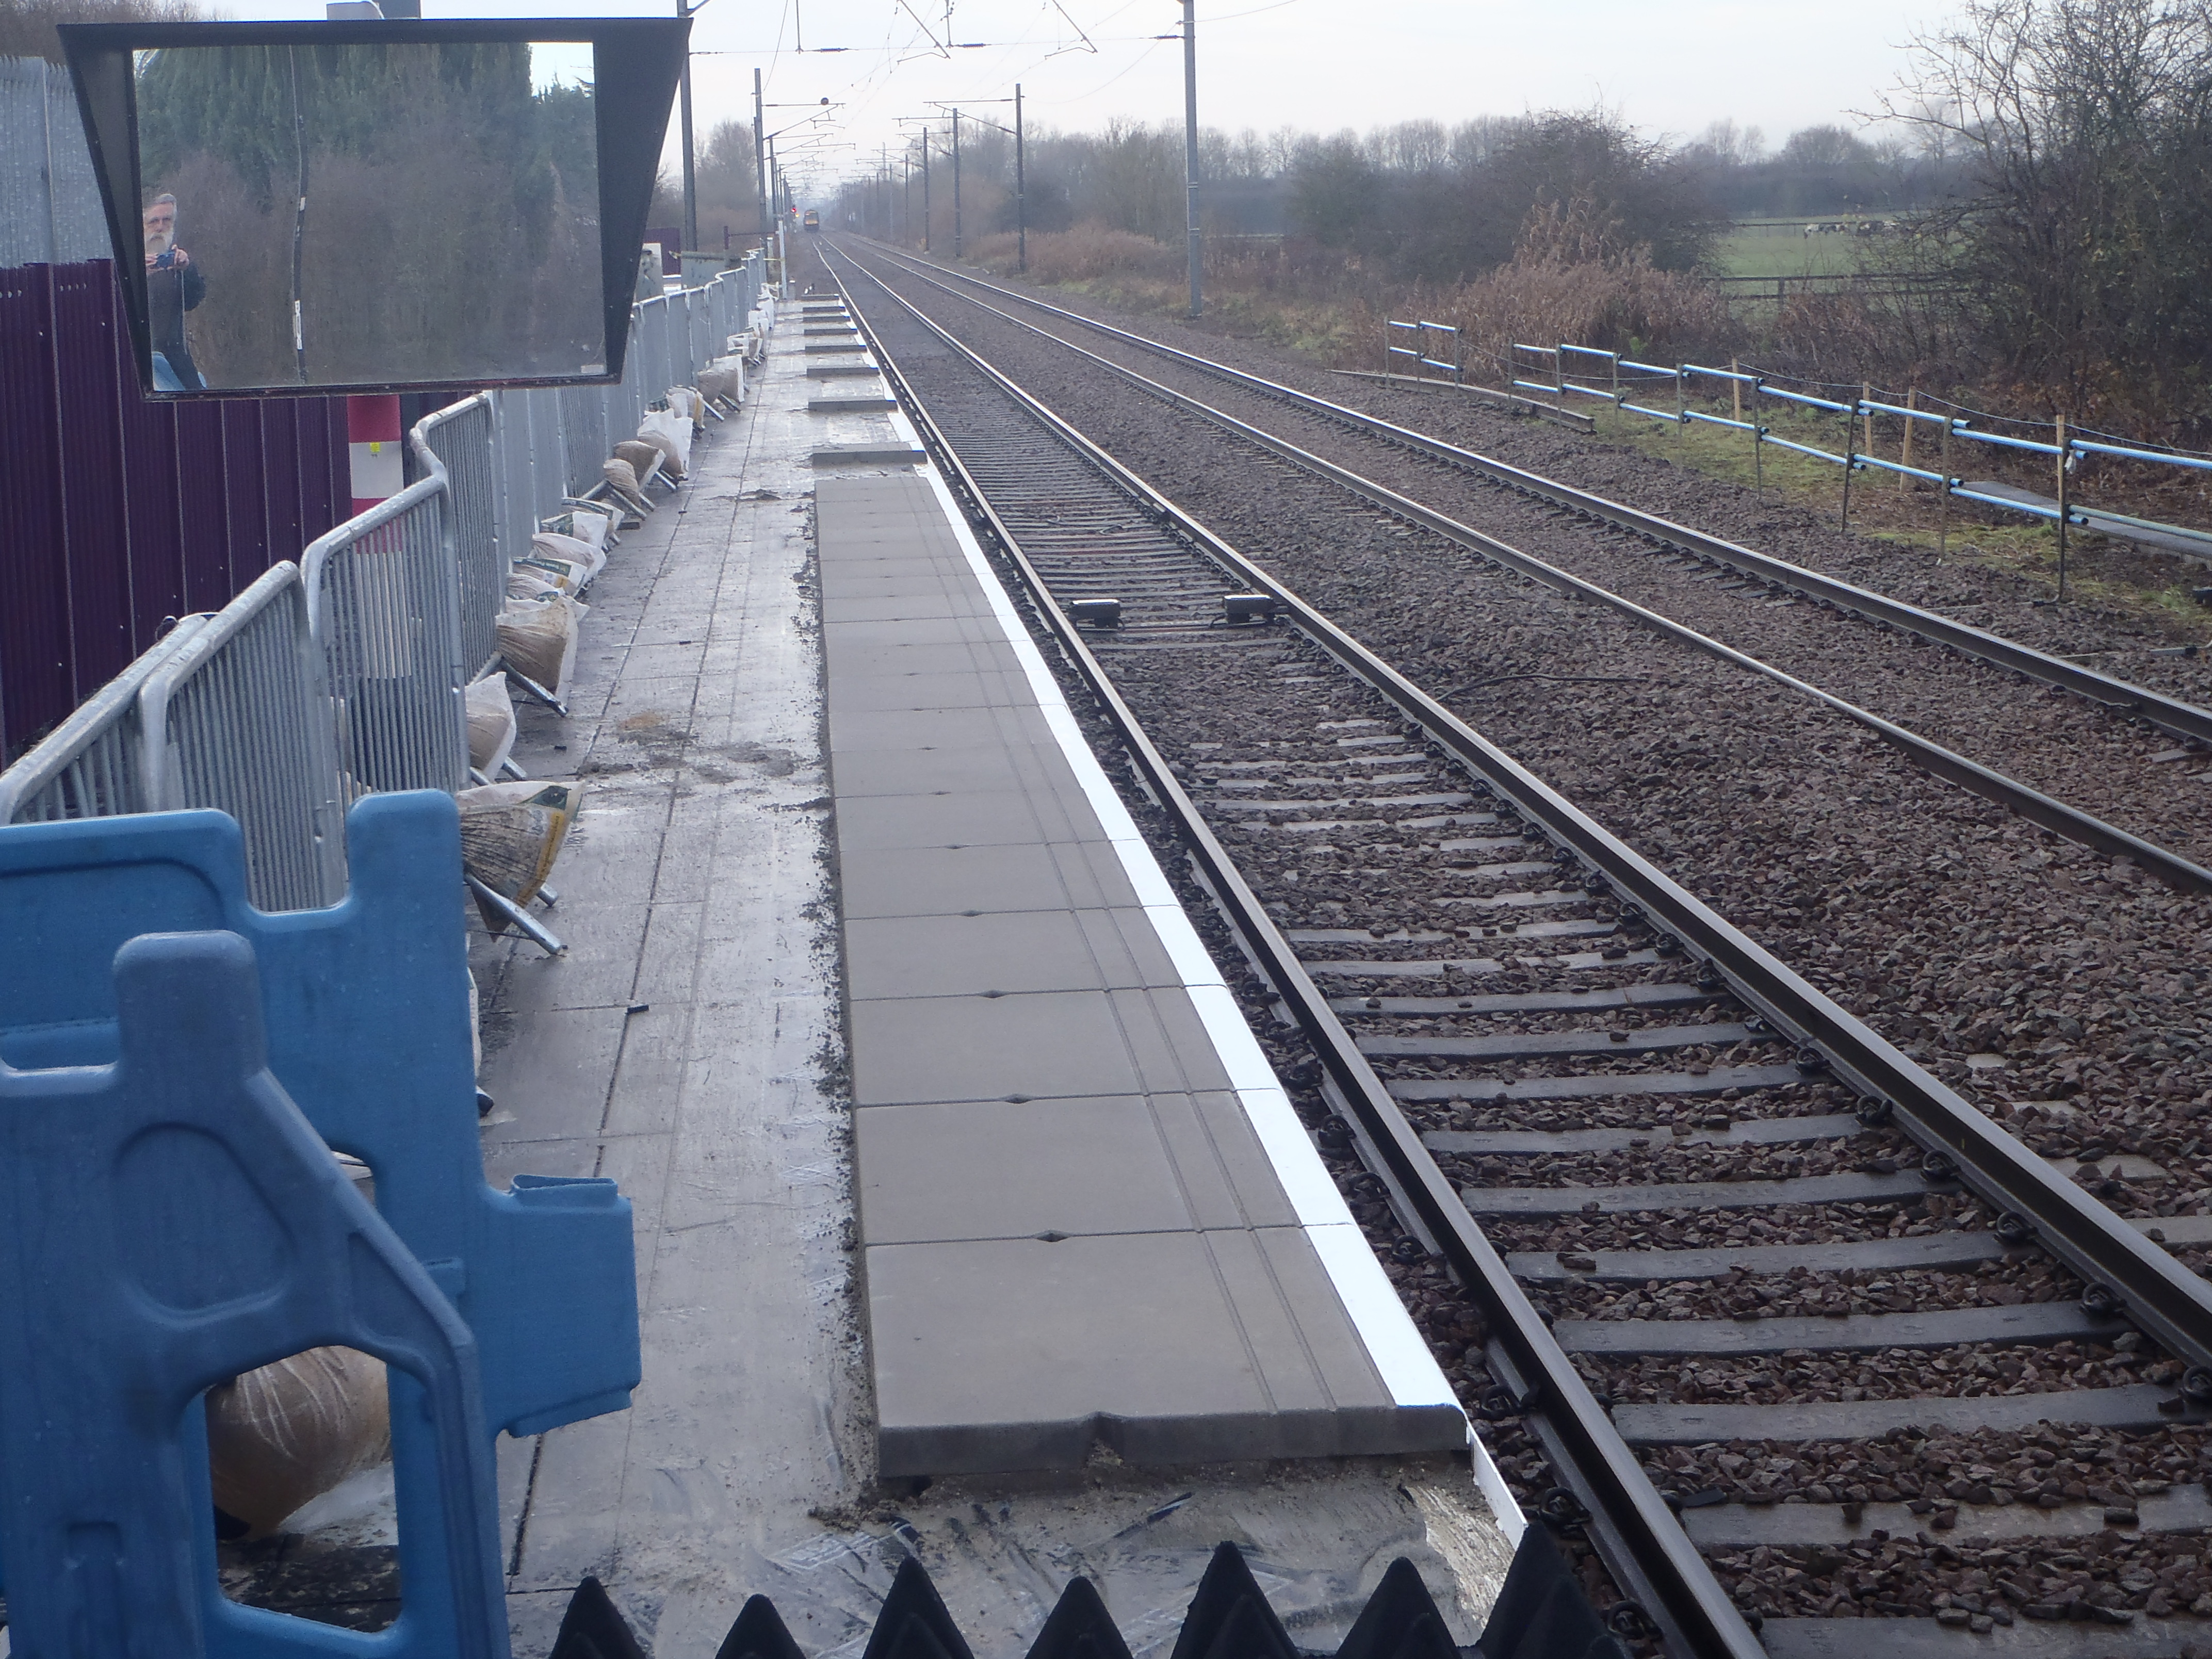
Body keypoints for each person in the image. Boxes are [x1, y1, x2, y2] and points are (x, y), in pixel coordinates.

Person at [142, 193, 206, 391]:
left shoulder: (177, 261)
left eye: (167, 220)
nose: (160, 227)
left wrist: (187, 269)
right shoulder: (121, 259)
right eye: (154, 221)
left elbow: (193, 301)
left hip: (175, 359)